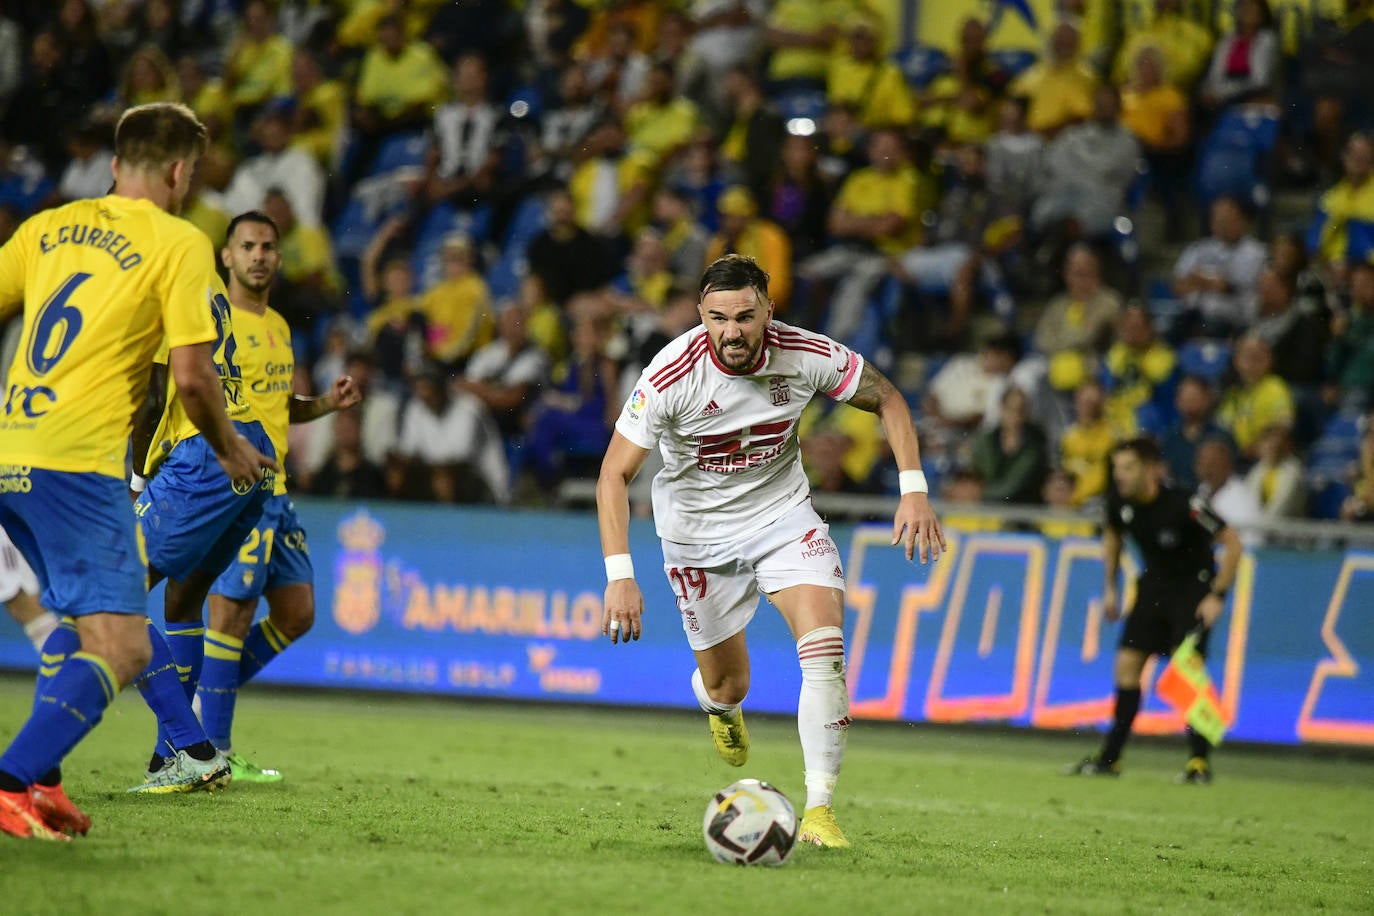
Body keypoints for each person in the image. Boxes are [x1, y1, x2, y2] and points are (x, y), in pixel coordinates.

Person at [597, 255, 944, 849]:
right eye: (716, 318)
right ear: (701, 316)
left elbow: (888, 397)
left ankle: (819, 812)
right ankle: (718, 706)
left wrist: (914, 491)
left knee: (824, 647)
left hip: (783, 518)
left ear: (766, 311)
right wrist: (619, 576)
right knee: (730, 685)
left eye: (744, 316)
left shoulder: (804, 353)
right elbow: (612, 476)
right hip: (697, 538)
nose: (731, 331)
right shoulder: (669, 375)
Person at [0, 102, 274, 841]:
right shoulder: (179, 243)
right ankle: (11, 781)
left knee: (74, 628)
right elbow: (189, 378)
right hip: (77, 465)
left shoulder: (46, 227)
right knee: (121, 645)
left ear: (117, 163)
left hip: (10, 453)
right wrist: (230, 448)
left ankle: (51, 781)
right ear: (181, 172)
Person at [199, 210, 361, 783]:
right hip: (234, 488)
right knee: (231, 615)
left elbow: (278, 406)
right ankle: (207, 753)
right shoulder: (212, 321)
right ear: (227, 256)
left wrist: (326, 406)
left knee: (297, 613)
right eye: (247, 246)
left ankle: (197, 709)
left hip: (277, 488)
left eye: (268, 246)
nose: (259, 256)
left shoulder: (280, 327)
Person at [129, 212, 287, 793]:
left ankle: (194, 749)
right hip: (249, 446)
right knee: (184, 595)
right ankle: (165, 759)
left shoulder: (153, 277)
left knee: (116, 589)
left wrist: (140, 478)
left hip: (203, 455)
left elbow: (153, 393)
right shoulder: (206, 282)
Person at [1067, 437, 1242, 784]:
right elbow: (1113, 536)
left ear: (1149, 470)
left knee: (1185, 672)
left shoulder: (1184, 503)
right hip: (1152, 590)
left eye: (1128, 467)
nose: (1120, 475)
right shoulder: (1119, 503)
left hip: (1192, 591)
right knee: (1126, 668)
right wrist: (1111, 588)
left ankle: (1198, 763)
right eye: (1117, 467)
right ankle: (1110, 759)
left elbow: (1232, 542)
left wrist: (1217, 595)